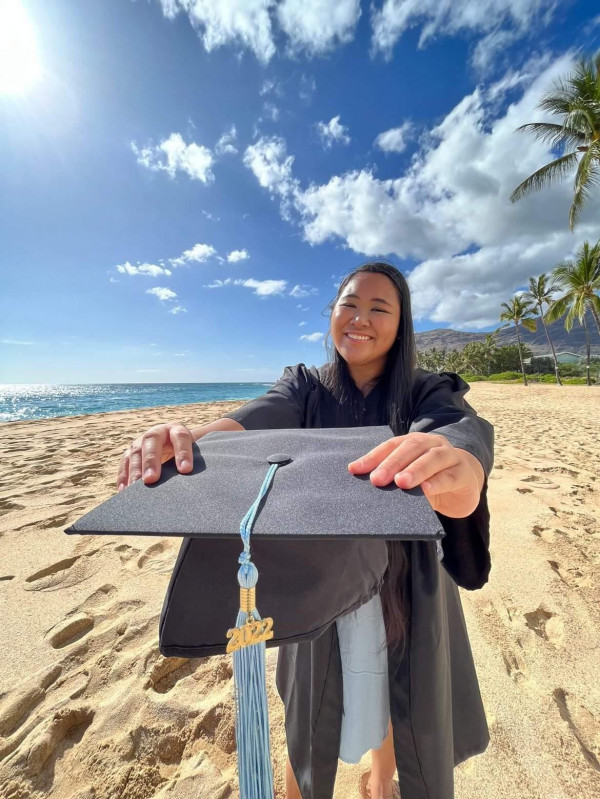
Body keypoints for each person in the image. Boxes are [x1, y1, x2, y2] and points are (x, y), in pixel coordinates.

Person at [116, 262, 494, 799]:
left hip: (404, 574)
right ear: (332, 314)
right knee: (310, 700)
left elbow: (458, 428)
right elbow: (256, 417)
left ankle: (383, 776)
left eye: (379, 309)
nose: (360, 318)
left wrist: (462, 462)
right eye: (349, 305)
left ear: (402, 323)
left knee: (398, 683)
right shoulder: (306, 386)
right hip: (318, 569)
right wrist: (193, 441)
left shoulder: (424, 389)